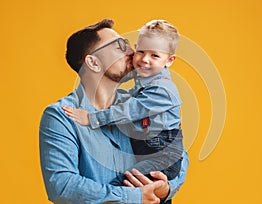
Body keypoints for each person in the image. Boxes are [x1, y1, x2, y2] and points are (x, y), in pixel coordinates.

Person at [39, 18, 189, 204]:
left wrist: (166, 188)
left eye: (127, 44)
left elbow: (177, 151)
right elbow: (62, 186)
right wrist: (133, 197)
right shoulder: (61, 116)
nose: (132, 52)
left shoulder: (141, 101)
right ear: (93, 63)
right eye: (119, 46)